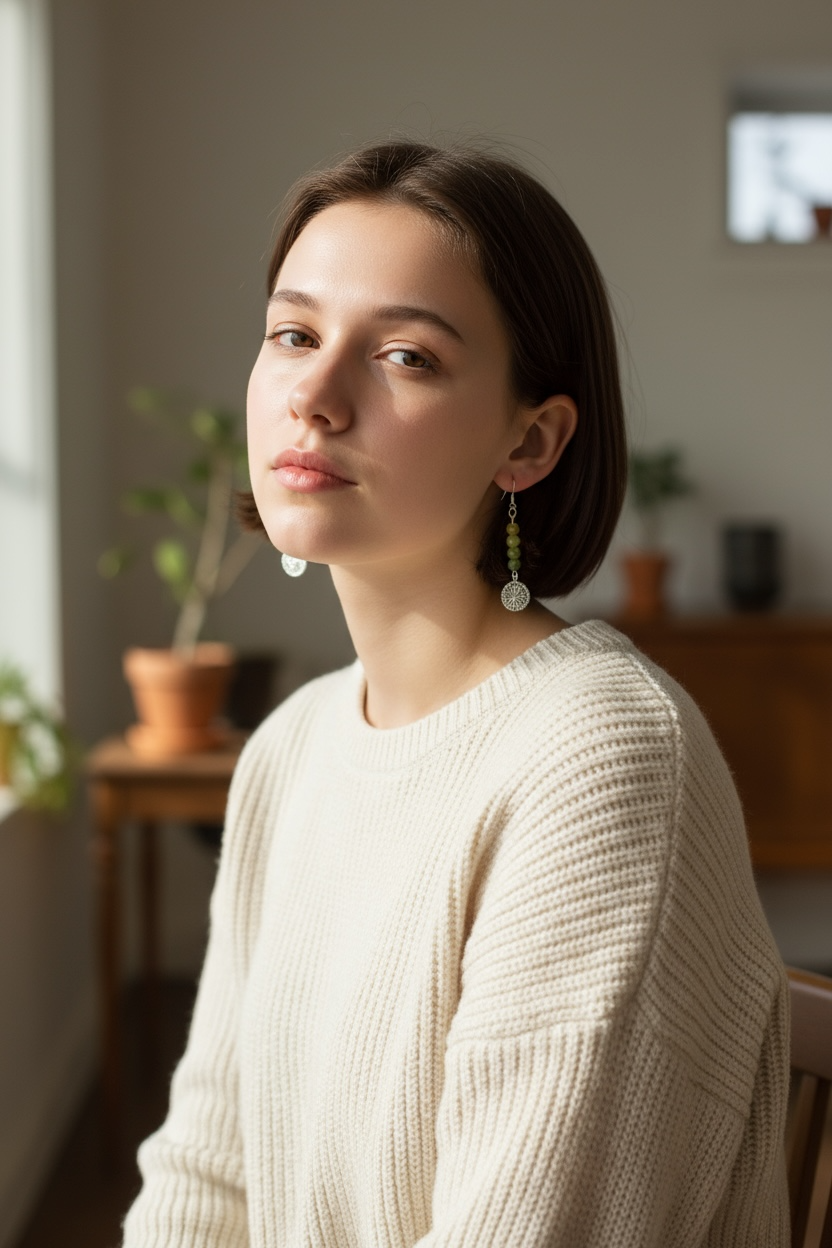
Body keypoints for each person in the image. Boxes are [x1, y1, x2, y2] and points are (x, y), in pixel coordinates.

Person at [122, 141, 789, 1247]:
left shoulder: (602, 756)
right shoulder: (287, 750)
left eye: (404, 357)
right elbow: (207, 1171)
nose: (315, 396)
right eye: (294, 334)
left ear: (529, 441)